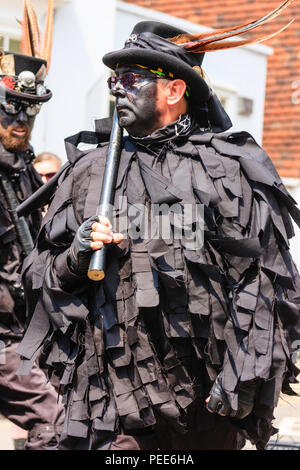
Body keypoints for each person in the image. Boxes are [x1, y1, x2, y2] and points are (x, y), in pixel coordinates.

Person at [17, 5, 300, 451]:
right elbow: (37, 277)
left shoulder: (227, 169)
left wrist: (241, 380)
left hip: (207, 406)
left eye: (132, 80)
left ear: (174, 89)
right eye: (115, 80)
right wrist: (74, 255)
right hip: (114, 403)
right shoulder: (89, 172)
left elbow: (266, 283)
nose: (118, 90)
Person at [0, 47, 65, 450]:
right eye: (11, 108)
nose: (22, 120)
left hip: (26, 331)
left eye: (31, 110)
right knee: (58, 423)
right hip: (3, 339)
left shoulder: (23, 169)